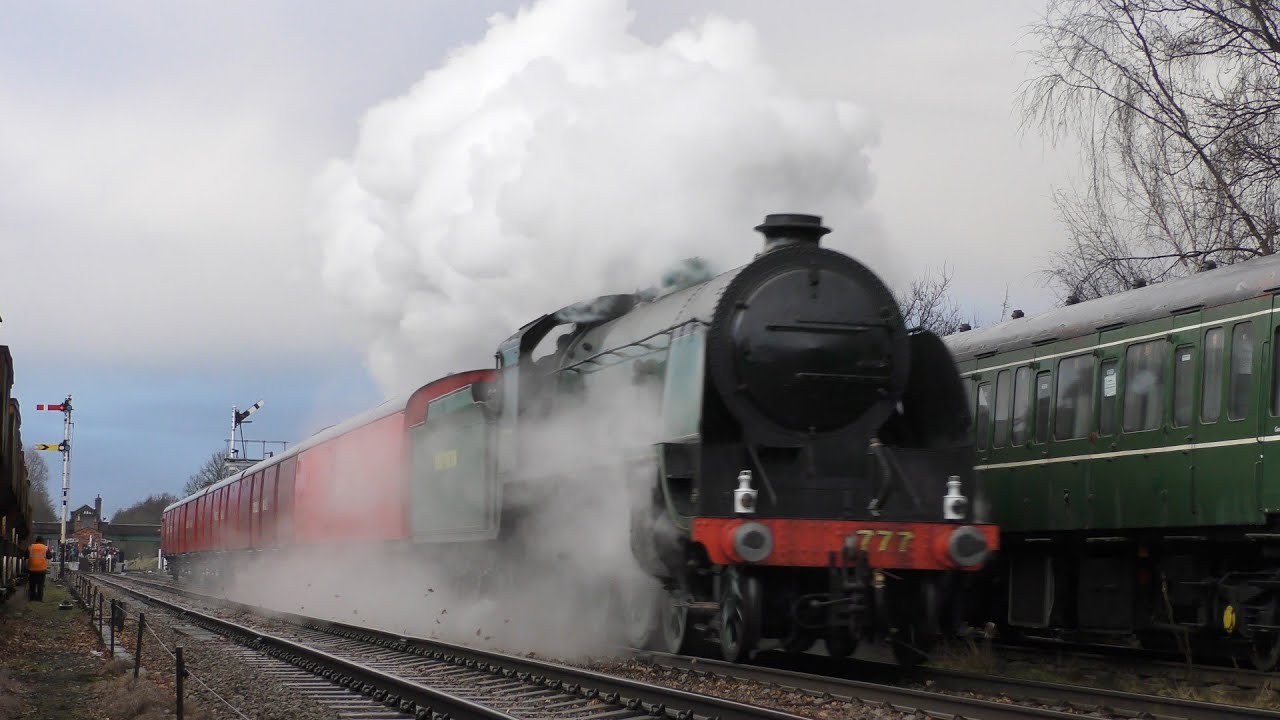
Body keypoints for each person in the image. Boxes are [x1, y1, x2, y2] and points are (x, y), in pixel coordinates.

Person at [28, 536, 50, 601]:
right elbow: (49, 556)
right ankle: (40, 598)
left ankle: (32, 598)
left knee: (32, 585)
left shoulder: (30, 547)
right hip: (42, 570)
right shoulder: (45, 548)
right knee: (40, 585)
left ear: (36, 541)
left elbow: (25, 555)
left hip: (32, 569)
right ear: (42, 541)